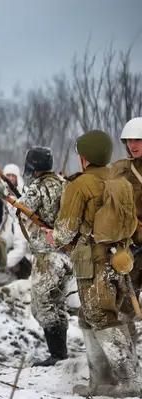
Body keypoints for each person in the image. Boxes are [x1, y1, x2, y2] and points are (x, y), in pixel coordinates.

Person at [48, 130, 141, 397]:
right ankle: (100, 381)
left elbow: (65, 230)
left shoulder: (80, 185)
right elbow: (132, 224)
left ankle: (129, 381)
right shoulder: (121, 181)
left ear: (84, 157)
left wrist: (54, 235)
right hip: (120, 260)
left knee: (101, 316)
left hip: (93, 261)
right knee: (91, 317)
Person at [15, 147, 71, 367]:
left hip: (47, 255)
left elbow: (20, 211)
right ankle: (60, 351)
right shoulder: (63, 182)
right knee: (57, 302)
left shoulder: (37, 187)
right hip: (65, 253)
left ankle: (57, 354)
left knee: (42, 304)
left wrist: (19, 199)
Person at [109, 116, 142, 340]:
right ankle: (129, 342)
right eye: (129, 140)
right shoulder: (119, 169)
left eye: (138, 139)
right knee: (126, 293)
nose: (133, 144)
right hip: (132, 241)